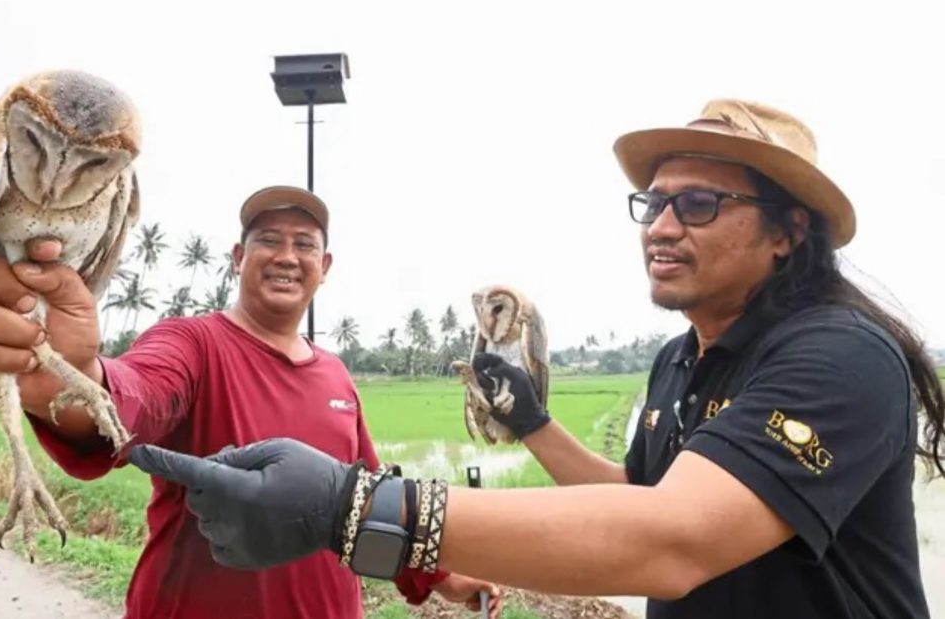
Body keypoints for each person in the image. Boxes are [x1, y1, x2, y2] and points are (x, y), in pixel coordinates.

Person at [130, 100, 945, 619]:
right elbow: (636, 500)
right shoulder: (678, 361)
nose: (661, 225)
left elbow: (670, 542)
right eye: (653, 202)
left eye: (697, 204)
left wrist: (357, 509)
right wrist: (531, 420)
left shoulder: (837, 354)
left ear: (786, 231)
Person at [0, 184, 502, 618]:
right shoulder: (191, 343)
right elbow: (133, 397)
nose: (287, 255)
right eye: (269, 240)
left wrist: (441, 578)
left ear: (324, 268)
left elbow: (369, 500)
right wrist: (68, 379)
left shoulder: (334, 374)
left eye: (305, 244)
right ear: (238, 256)